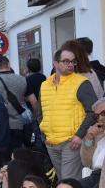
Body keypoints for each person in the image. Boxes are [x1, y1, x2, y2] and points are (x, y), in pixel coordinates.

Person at [38, 49, 98, 180]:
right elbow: (40, 113)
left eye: (73, 61)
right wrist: (44, 136)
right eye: (66, 61)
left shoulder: (81, 83)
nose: (70, 64)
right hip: (51, 143)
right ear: (55, 63)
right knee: (62, 181)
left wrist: (79, 135)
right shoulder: (44, 85)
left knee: (69, 182)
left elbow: (94, 111)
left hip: (72, 142)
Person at [0, 55, 37, 152]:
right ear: (8, 64)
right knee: (18, 154)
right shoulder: (24, 80)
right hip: (19, 124)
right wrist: (33, 119)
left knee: (3, 157)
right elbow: (34, 103)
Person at [80, 98, 105, 188]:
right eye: (97, 116)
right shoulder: (97, 132)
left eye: (104, 113)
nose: (101, 118)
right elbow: (86, 162)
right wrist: (89, 138)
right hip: (96, 174)